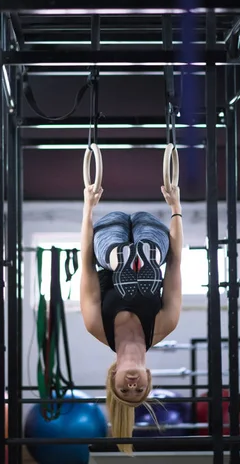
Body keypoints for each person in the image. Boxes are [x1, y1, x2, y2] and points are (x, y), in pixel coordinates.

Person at [80, 183, 183, 453]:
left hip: (108, 238)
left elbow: (86, 265)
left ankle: (121, 261)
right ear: (149, 378)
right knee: (158, 252)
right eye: (139, 390)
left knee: (106, 254)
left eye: (124, 391)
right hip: (153, 237)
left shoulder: (96, 327)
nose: (132, 386)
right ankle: (141, 259)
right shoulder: (164, 325)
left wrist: (88, 208)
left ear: (112, 376)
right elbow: (175, 264)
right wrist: (175, 207)